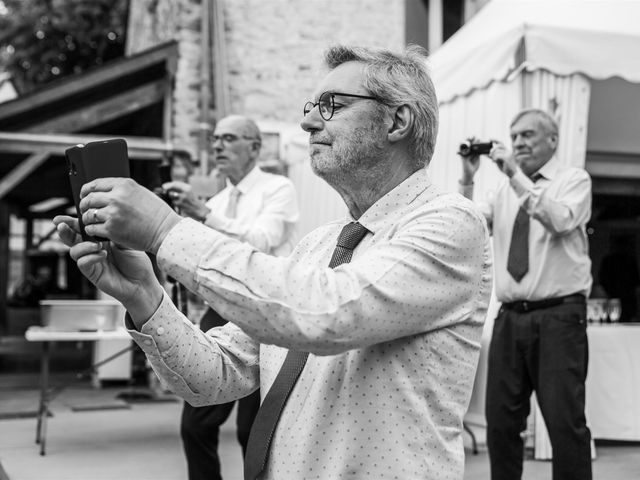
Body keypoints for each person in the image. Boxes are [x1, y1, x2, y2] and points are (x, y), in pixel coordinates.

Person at [54, 44, 492, 480]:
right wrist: (144, 294)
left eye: (332, 105)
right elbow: (215, 377)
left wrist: (164, 230)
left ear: (398, 120)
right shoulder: (318, 245)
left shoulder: (451, 223)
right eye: (313, 106)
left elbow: (329, 314)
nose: (307, 121)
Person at [161, 114, 300, 480]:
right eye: (216, 139)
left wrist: (204, 215)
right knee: (195, 424)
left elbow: (261, 242)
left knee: (251, 431)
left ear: (254, 146)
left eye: (229, 138)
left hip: (264, 313)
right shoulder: (219, 200)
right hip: (219, 310)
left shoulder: (278, 188)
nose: (218, 146)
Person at [459, 109, 593, 480]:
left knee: (564, 423)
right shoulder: (503, 189)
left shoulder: (573, 180)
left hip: (559, 317)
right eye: (514, 135)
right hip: (509, 318)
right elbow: (466, 232)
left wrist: (514, 176)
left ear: (552, 140)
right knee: (500, 424)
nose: (518, 142)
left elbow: (560, 220)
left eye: (528, 135)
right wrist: (467, 180)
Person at [598, 234, 639, 322]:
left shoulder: (629, 261)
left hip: (625, 298)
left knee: (625, 319)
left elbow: (635, 280)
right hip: (615, 296)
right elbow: (602, 279)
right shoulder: (609, 261)